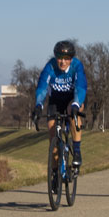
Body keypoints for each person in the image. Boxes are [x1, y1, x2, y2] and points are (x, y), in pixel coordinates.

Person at [32, 40, 87, 174]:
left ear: (71, 59)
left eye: (66, 59)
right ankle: (55, 171)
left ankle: (77, 151)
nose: (63, 62)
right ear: (55, 57)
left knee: (73, 113)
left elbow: (80, 86)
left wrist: (76, 104)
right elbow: (42, 88)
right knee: (52, 136)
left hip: (73, 99)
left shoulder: (76, 66)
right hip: (56, 101)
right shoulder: (50, 67)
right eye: (60, 58)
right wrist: (38, 105)